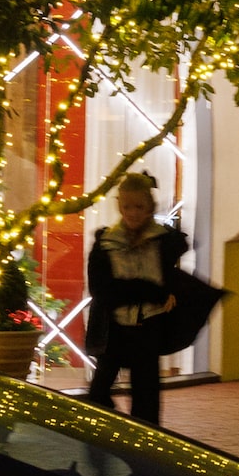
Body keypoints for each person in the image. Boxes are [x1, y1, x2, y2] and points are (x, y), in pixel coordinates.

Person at [81, 175, 205, 429]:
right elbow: (102, 290)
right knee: (98, 394)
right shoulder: (106, 242)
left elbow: (168, 275)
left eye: (139, 206)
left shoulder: (163, 242)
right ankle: (106, 439)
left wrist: (165, 291)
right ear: (119, 206)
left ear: (149, 207)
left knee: (146, 404)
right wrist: (151, 291)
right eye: (127, 206)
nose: (132, 213)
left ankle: (143, 453)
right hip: (113, 329)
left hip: (149, 328)